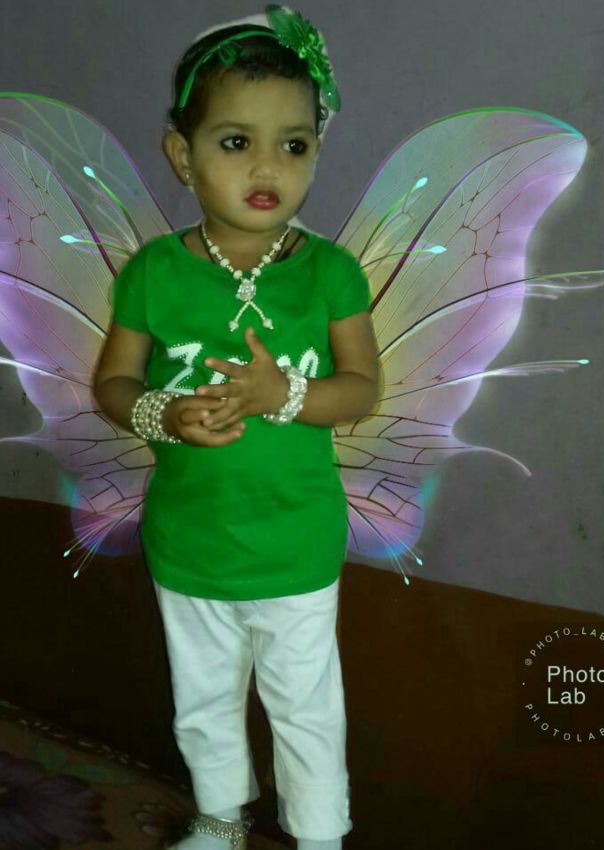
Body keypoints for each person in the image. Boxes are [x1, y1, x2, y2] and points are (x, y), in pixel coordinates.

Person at [92, 6, 380, 850]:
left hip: (295, 541)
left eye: (293, 144)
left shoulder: (330, 272)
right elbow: (113, 382)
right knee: (204, 699)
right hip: (190, 541)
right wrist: (163, 414)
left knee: (305, 704)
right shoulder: (153, 271)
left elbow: (360, 390)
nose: (267, 167)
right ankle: (220, 817)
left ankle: (319, 835)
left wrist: (282, 394)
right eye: (234, 142)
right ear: (182, 156)